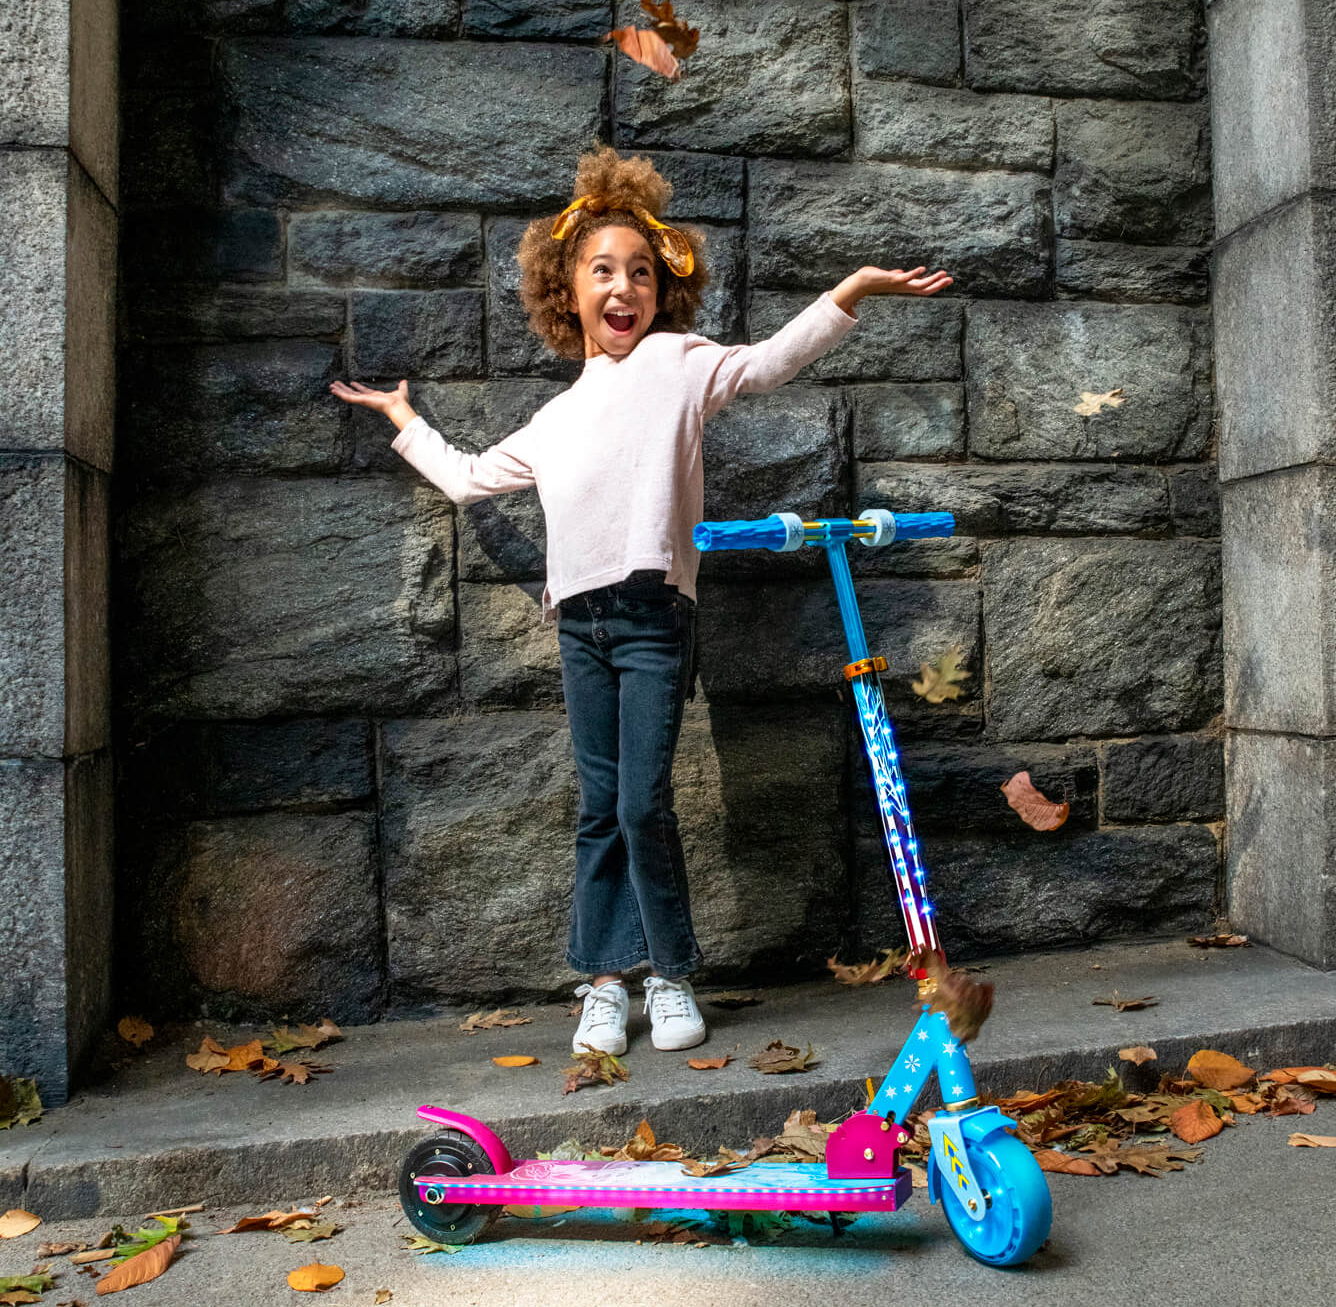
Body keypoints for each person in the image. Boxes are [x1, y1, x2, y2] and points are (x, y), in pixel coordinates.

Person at [330, 144, 951, 1060]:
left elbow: (769, 362)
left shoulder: (677, 364)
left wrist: (851, 291)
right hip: (579, 625)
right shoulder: (554, 418)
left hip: (657, 618)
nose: (625, 288)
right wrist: (404, 421)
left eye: (643, 274)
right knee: (599, 805)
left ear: (663, 293)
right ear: (566, 290)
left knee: (641, 803)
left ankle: (668, 974)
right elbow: (466, 481)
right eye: (603, 271)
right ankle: (603, 983)